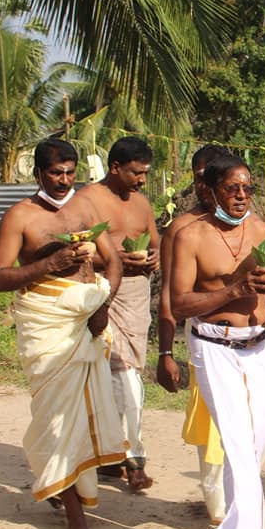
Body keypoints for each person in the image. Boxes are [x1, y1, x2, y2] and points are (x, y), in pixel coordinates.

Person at [156, 144, 265, 526]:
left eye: (247, 189)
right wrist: (235, 290)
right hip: (214, 346)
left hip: (258, 343)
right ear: (211, 191)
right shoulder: (190, 236)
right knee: (237, 442)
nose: (241, 196)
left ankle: (236, 521)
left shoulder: (260, 229)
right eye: (232, 189)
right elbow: (180, 302)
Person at [0, 138, 125, 529]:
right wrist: (50, 263)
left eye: (69, 172)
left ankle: (67, 490)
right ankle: (75, 515)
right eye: (55, 173)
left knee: (81, 417)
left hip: (88, 319)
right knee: (55, 420)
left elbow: (113, 261)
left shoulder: (85, 207)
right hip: (46, 324)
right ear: (38, 174)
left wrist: (103, 306)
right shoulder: (20, 216)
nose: (64, 180)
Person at [76, 136, 160, 491]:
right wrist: (111, 259)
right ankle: (132, 458)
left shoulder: (142, 203)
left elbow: (155, 241)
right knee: (115, 376)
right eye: (136, 173)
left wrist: (154, 257)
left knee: (126, 373)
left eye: (145, 173)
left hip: (136, 294)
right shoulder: (87, 201)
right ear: (115, 167)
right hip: (100, 291)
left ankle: (113, 455)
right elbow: (76, 249)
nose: (142, 180)